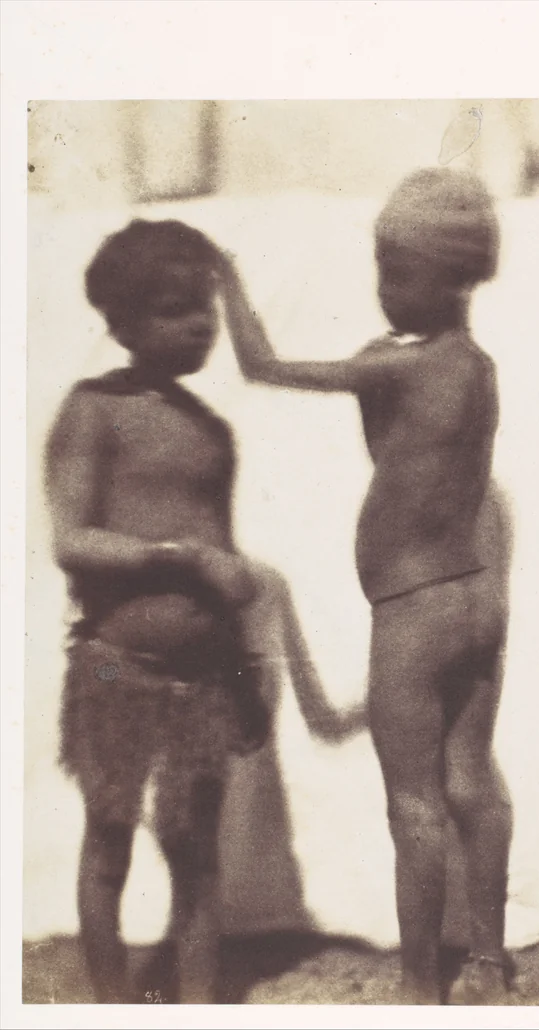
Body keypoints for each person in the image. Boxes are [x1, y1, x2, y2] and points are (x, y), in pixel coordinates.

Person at [220, 167, 513, 1005]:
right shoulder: (477, 366)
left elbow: (261, 364)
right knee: (473, 782)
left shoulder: (392, 366)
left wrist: (229, 278)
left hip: (414, 613)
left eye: (398, 271)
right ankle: (488, 963)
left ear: (455, 276)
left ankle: (421, 988)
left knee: (414, 805)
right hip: (477, 601)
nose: (383, 289)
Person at [46, 219, 269, 1004]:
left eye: (204, 306)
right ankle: (111, 1006)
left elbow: (225, 554)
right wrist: (170, 558)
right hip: (112, 666)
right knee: (109, 839)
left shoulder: (212, 430)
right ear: (123, 322)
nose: (201, 324)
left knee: (196, 853)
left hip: (201, 678)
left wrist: (246, 673)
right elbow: (71, 541)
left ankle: (199, 1008)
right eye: (176, 310)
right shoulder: (93, 409)